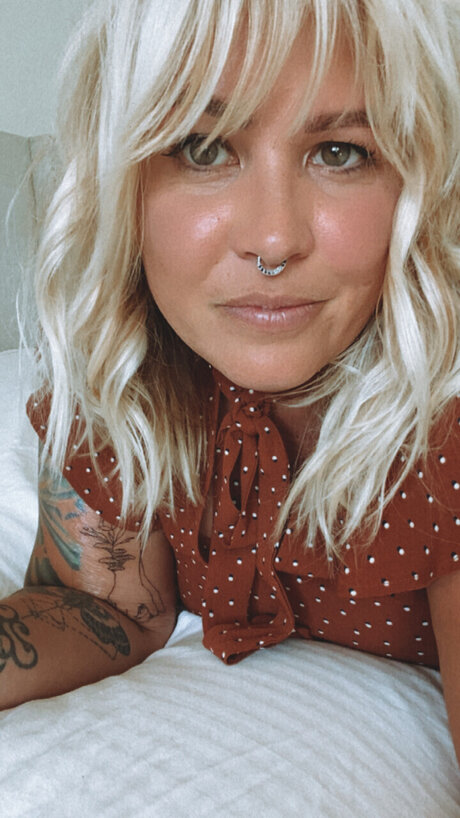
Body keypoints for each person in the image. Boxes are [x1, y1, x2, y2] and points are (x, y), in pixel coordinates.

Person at [1, 0, 459, 763]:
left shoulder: (445, 422)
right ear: (119, 179)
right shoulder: (132, 367)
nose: (273, 239)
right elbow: (108, 605)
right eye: (204, 148)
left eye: (339, 152)